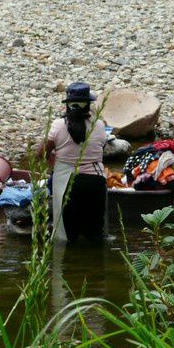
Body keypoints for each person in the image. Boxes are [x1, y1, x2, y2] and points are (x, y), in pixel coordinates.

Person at [38, 82, 108, 243]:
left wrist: (53, 159)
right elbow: (100, 148)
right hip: (95, 182)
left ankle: (68, 266)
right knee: (95, 235)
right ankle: (95, 265)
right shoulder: (99, 125)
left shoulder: (57, 126)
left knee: (67, 236)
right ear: (88, 106)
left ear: (68, 105)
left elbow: (40, 155)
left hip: (66, 183)